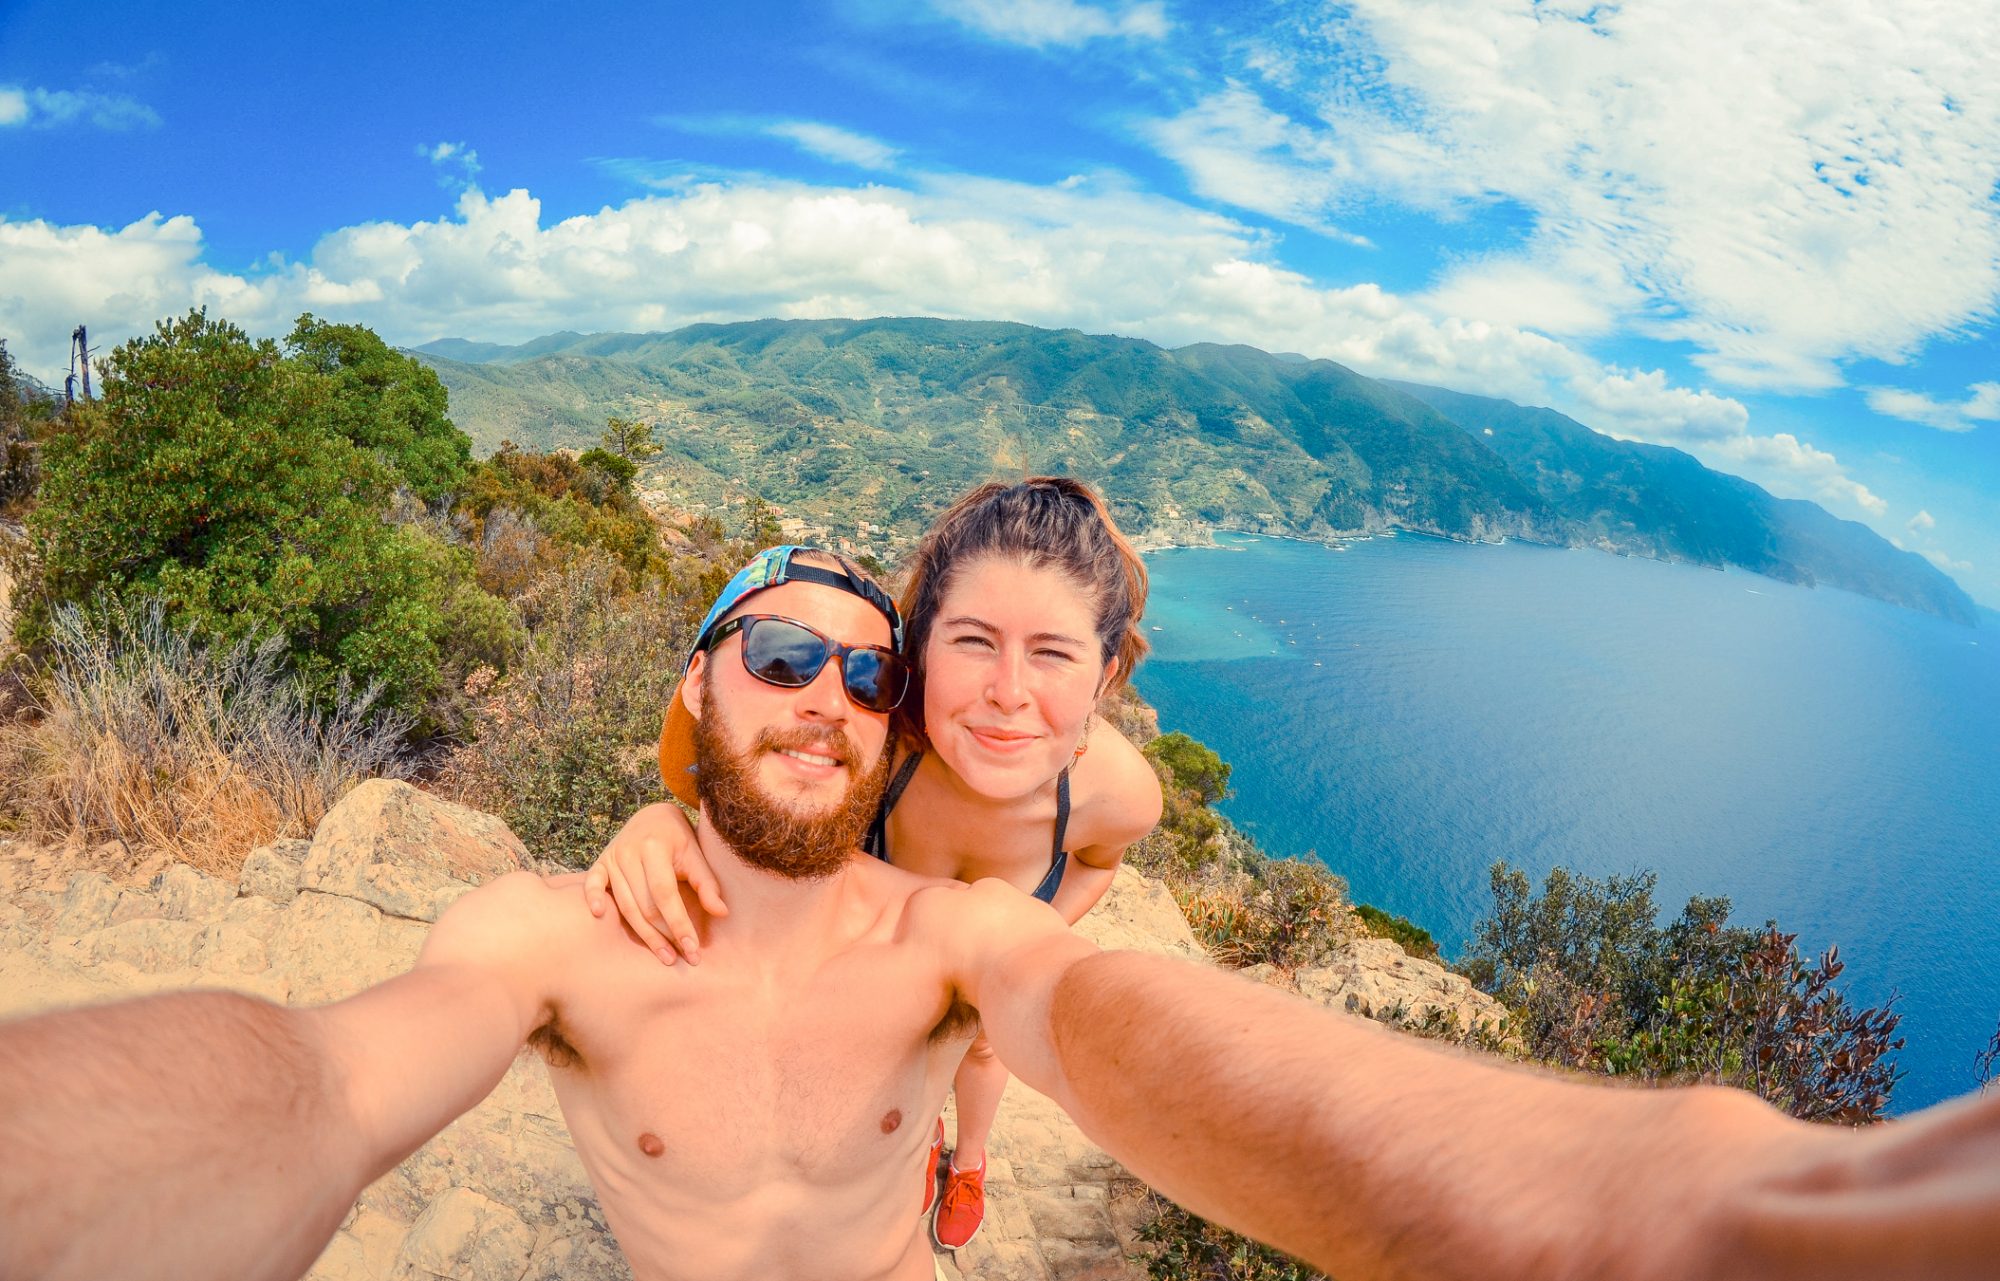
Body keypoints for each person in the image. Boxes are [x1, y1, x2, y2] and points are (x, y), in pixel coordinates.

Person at [5, 546, 2000, 1281]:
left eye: (871, 677)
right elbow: (318, 1085)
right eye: (778, 653)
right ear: (692, 689)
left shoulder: (956, 933)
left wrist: (1661, 1203)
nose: (827, 696)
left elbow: (1141, 1031)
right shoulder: (552, 935)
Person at [588, 477, 1165, 1249]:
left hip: (999, 951)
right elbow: (757, 790)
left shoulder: (1118, 793)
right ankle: (915, 1139)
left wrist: (1041, 925)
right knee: (908, 1053)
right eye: (973, 641)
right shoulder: (878, 737)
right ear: (922, 649)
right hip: (887, 956)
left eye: (1055, 653)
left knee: (982, 1049)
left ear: (1103, 676)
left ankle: (969, 1158)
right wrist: (661, 822)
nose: (1007, 694)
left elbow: (1100, 859)